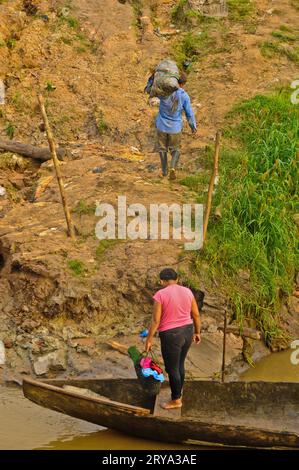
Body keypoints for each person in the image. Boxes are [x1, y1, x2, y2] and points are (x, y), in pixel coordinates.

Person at [145, 268, 201, 410]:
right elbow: (196, 314)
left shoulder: (160, 295)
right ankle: (178, 393)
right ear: (176, 279)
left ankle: (176, 400)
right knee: (180, 364)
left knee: (172, 368)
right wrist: (198, 332)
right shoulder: (187, 291)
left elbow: (156, 320)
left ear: (162, 281)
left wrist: (149, 339)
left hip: (171, 335)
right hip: (188, 331)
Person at [155, 72, 197, 180]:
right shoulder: (184, 96)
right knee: (176, 149)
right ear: (183, 84)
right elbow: (189, 113)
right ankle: (173, 168)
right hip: (175, 128)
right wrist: (193, 127)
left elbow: (154, 90)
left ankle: (164, 172)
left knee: (162, 149)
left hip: (161, 126)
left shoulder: (164, 92)